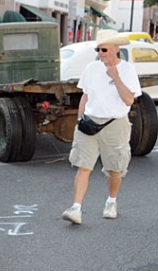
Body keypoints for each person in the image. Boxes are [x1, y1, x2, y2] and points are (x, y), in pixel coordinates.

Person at [61, 29, 142, 225]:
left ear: (116, 49)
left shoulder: (128, 70)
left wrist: (115, 77)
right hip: (89, 123)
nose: (101, 53)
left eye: (104, 49)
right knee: (83, 166)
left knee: (115, 169)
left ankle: (111, 201)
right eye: (98, 49)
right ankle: (76, 208)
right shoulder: (91, 68)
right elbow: (85, 96)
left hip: (115, 124)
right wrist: (79, 121)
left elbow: (129, 99)